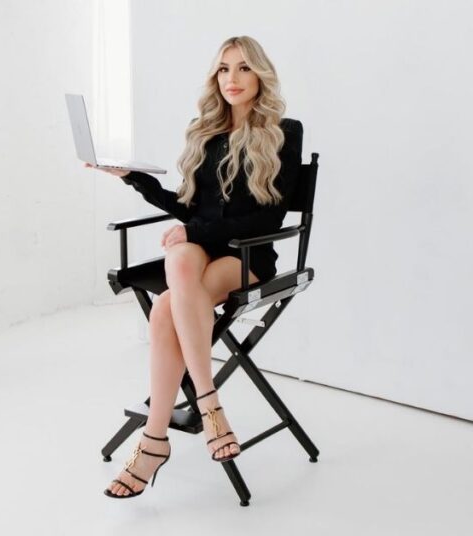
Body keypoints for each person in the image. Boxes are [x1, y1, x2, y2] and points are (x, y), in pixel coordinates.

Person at [89, 35, 303, 498]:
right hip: (202, 252)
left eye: (243, 68)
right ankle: (209, 405)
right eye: (224, 69)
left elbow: (268, 219)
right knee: (180, 260)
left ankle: (155, 440)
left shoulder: (285, 131)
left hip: (248, 254)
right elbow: (188, 209)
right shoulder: (204, 130)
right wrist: (133, 178)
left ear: (260, 75)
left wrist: (194, 231)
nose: (232, 78)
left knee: (168, 305)